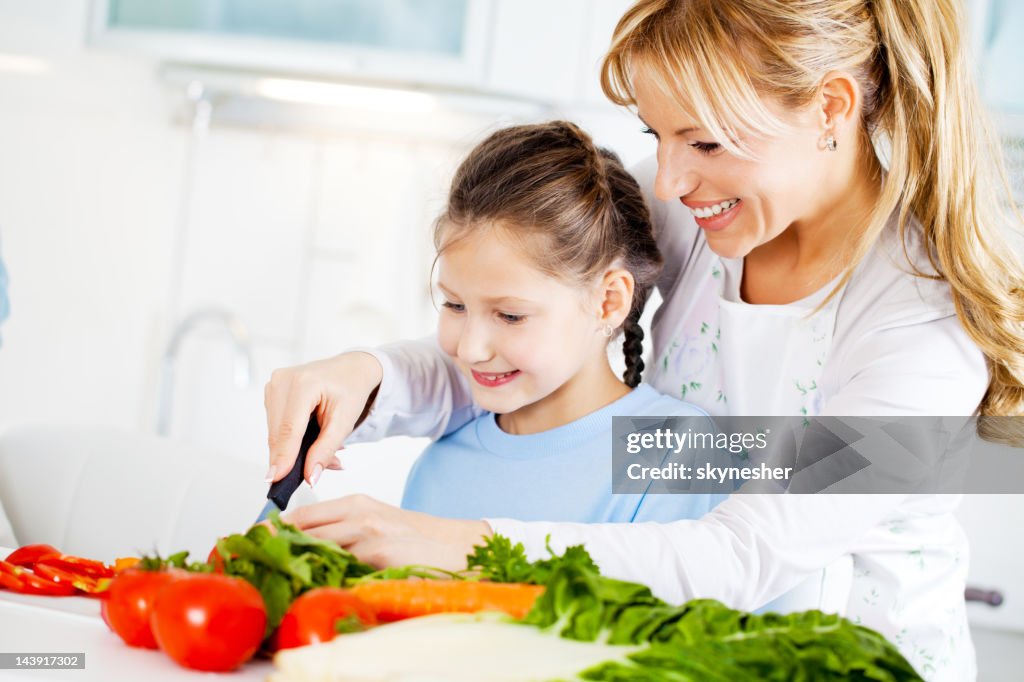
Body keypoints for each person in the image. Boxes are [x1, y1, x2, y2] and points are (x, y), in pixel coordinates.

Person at [265, 1, 1024, 679]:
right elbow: (542, 321)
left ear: (829, 107)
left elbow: (739, 554)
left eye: (703, 142)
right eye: (657, 135)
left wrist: (461, 546)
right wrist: (366, 376)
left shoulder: (920, 319)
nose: (665, 181)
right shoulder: (707, 214)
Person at [393, 121, 723, 526]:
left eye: (511, 315)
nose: (470, 349)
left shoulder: (677, 451)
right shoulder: (439, 464)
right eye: (455, 305)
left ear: (607, 301)